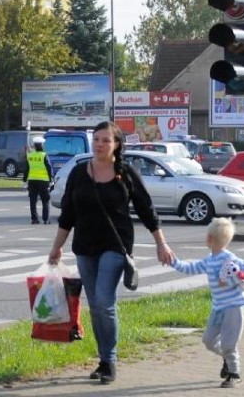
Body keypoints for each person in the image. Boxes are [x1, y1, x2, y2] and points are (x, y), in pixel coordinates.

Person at [48, 120, 174, 385]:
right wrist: (56, 247)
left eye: (106, 140)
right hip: (85, 246)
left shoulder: (125, 172)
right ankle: (103, 360)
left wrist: (161, 243)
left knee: (105, 302)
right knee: (95, 306)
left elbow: (146, 209)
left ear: (117, 144)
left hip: (115, 246)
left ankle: (111, 359)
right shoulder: (80, 172)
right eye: (97, 139)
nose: (100, 144)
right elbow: (68, 213)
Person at [170, 217, 244, 388]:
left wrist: (232, 279)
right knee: (208, 340)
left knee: (229, 343)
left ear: (210, 239)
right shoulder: (209, 260)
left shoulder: (229, 258)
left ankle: (234, 373)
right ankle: (226, 358)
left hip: (234, 307)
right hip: (218, 308)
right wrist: (173, 261)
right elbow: (190, 268)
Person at [23, 135, 53, 224]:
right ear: (42, 145)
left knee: (33, 201)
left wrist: (24, 180)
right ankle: (46, 219)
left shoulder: (30, 156)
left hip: (32, 181)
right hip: (43, 181)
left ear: (35, 146)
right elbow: (49, 168)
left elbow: (27, 169)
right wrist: (52, 180)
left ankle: (34, 219)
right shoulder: (44, 155)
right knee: (45, 200)